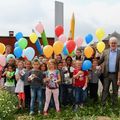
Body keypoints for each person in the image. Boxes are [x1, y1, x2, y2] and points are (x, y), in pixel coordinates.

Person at [99, 37, 120, 106]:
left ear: (117, 44)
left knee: (115, 91)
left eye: (114, 43)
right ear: (109, 44)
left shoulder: (119, 52)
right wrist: (93, 63)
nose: (113, 44)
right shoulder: (105, 52)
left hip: (116, 75)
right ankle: (103, 105)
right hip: (106, 74)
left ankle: (114, 105)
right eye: (112, 43)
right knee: (105, 90)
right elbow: (100, 61)